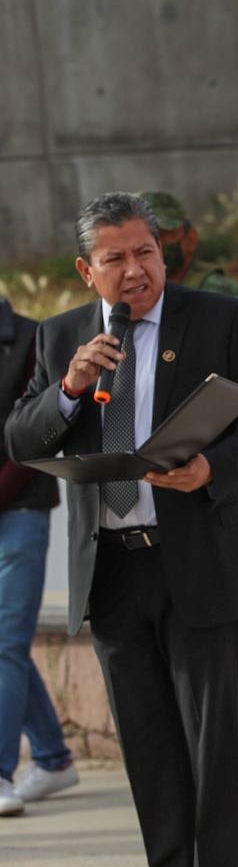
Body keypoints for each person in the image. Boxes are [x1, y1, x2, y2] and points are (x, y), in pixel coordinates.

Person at [5, 192, 238, 867]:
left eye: (146, 252)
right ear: (86, 269)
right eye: (116, 258)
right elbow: (20, 439)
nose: (135, 270)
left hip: (198, 561)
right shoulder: (60, 337)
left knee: (215, 751)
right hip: (113, 574)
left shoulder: (219, 318)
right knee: (150, 754)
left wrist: (211, 467)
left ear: (163, 253)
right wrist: (70, 388)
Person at [139, 190, 238, 794]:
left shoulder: (220, 297)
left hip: (223, 475)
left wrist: (218, 466)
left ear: (187, 239)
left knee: (233, 620)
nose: (156, 252)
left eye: (162, 238)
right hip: (159, 489)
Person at [0, 297, 78, 816]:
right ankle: (52, 759)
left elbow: (39, 433)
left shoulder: (35, 337)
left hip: (20, 507)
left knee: (5, 640)